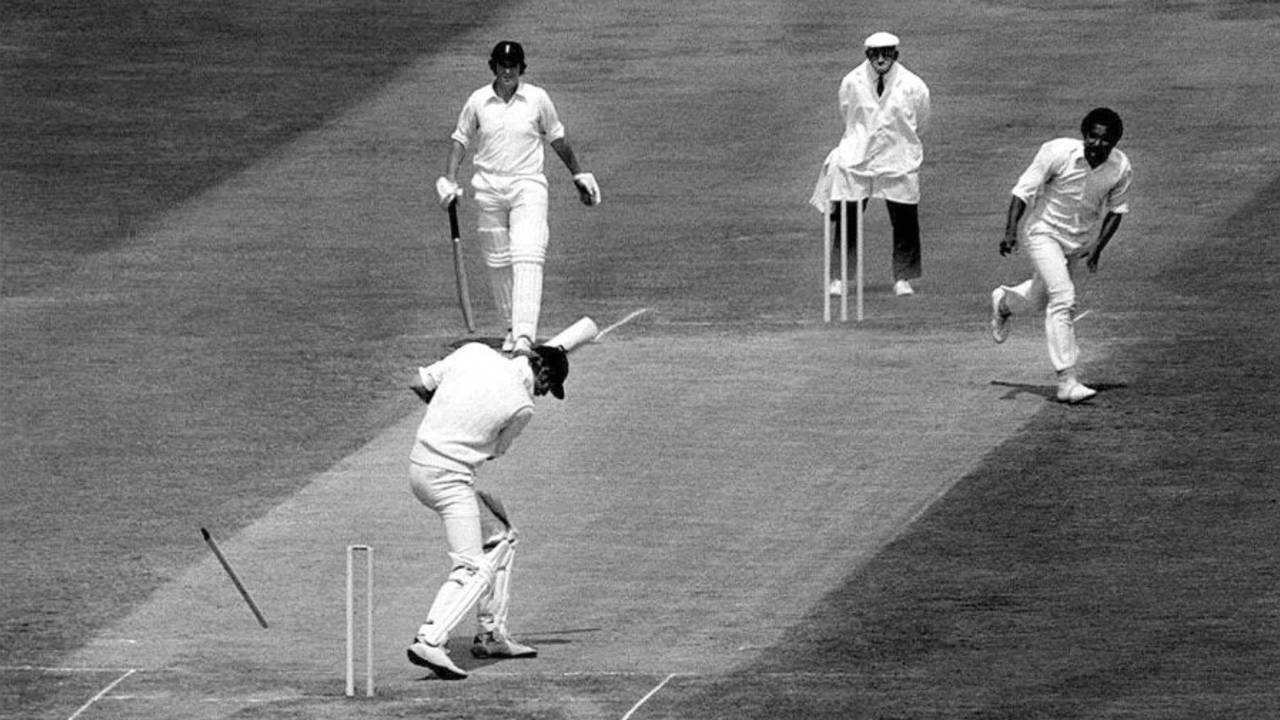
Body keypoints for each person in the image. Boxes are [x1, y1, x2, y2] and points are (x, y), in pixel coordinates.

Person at [404, 340, 570, 679]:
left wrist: (450, 409)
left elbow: (420, 383)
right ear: (541, 372)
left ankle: (491, 635)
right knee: (473, 567)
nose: (542, 394)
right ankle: (430, 640)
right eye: (547, 386)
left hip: (418, 467)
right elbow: (494, 452)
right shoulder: (522, 407)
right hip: (449, 481)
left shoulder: (473, 351)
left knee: (502, 537)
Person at [435, 41, 601, 357]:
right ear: (494, 67)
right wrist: (450, 179)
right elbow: (460, 140)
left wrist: (578, 173)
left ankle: (525, 335)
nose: (508, 71)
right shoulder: (478, 100)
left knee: (528, 254)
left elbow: (557, 138)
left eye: (513, 65)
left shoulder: (537, 99)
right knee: (498, 261)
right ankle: (511, 329)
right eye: (502, 65)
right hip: (489, 189)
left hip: (528, 186)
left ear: (521, 68)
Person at [990, 107, 1133, 404]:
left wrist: (1097, 247)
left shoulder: (1120, 167)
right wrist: (1010, 231)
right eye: (1092, 137)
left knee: (1037, 299)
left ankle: (1003, 303)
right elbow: (1022, 192)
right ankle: (1067, 380)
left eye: (1105, 140)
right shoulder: (1057, 152)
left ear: (1115, 142)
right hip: (1043, 233)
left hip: (1075, 243)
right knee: (1063, 298)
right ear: (1084, 135)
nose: (1097, 145)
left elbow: (1116, 211)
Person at [810, 31, 931, 297]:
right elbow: (846, 113)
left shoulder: (913, 85)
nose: (881, 59)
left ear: (896, 55)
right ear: (867, 55)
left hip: (899, 158)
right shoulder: (852, 81)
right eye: (875, 54)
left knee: (905, 220)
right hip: (857, 158)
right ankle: (839, 278)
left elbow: (921, 120)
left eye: (886, 54)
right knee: (848, 219)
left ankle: (903, 278)